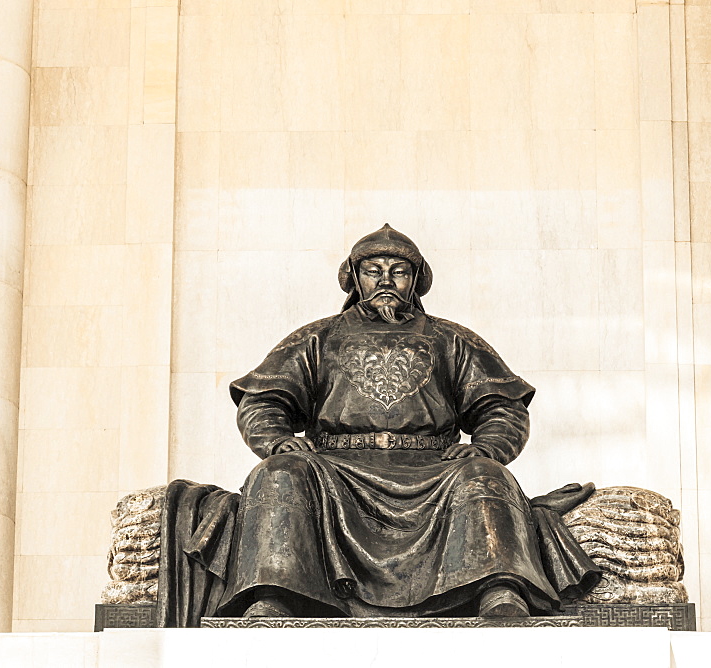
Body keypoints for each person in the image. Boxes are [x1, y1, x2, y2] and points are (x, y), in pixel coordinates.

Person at [157, 225, 599, 625]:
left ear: (416, 280)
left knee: (484, 476)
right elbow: (264, 401)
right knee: (278, 475)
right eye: (374, 270)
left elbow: (502, 408)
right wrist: (276, 443)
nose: (386, 280)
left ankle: (498, 589)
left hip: (433, 467)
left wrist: (486, 448)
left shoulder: (451, 339)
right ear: (354, 278)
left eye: (398, 271)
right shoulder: (318, 338)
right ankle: (275, 591)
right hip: (335, 467)